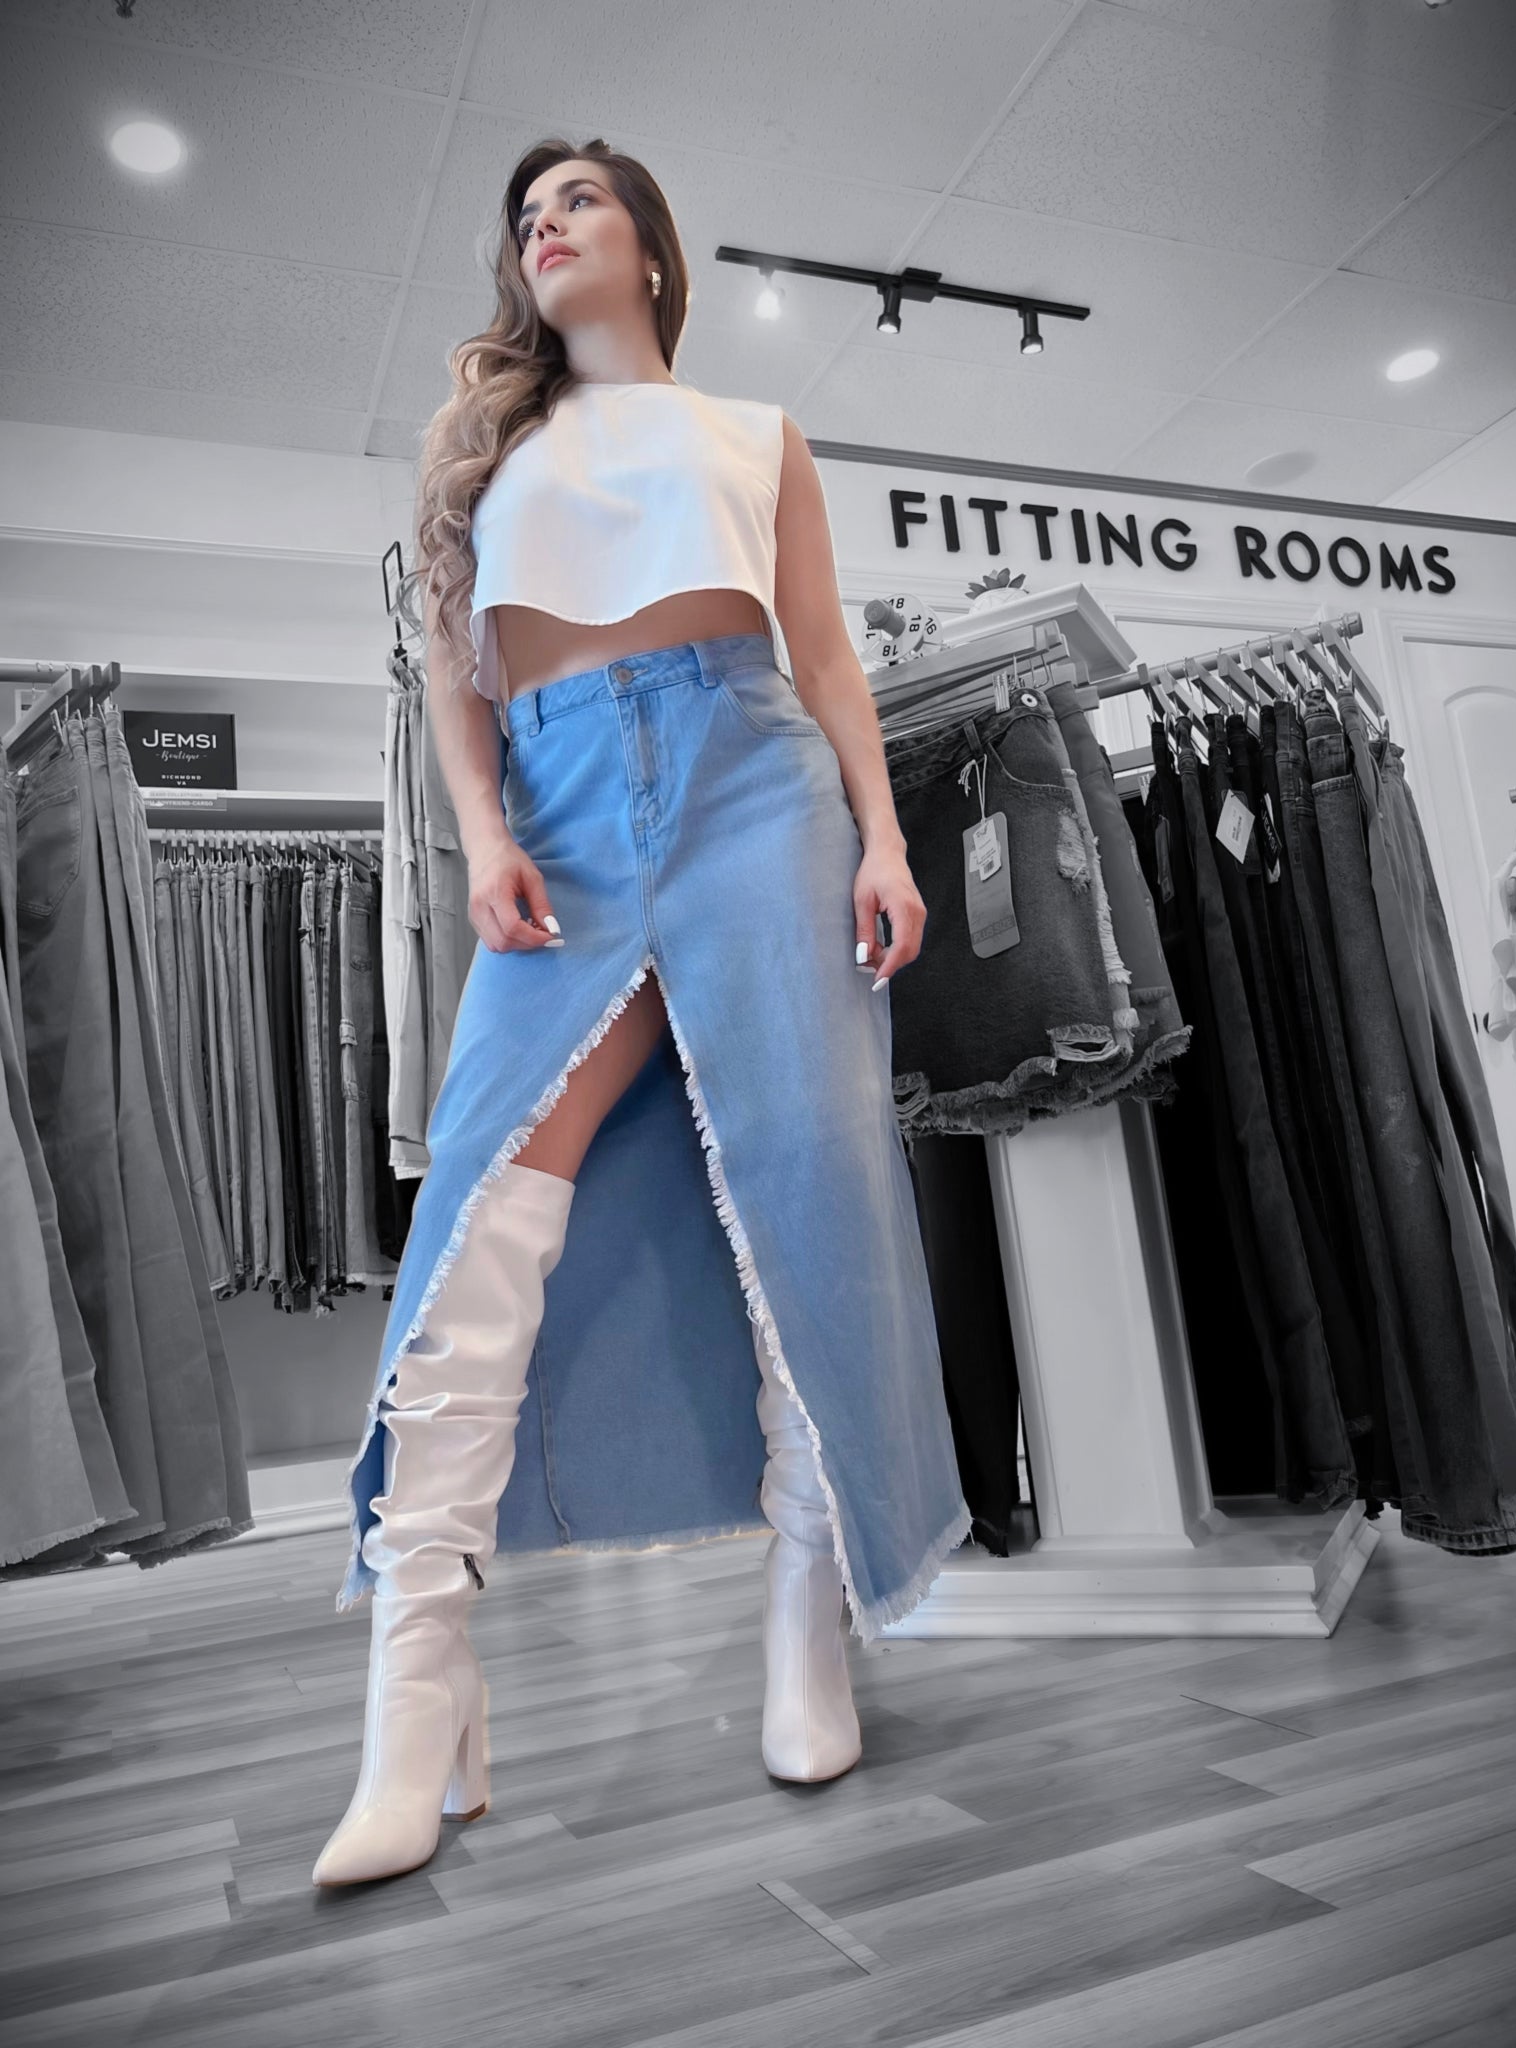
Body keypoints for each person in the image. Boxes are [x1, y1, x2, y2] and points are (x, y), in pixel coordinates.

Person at [313, 137, 971, 1889]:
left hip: (759, 784)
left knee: (806, 1201)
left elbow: (824, 654)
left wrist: (885, 836)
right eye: (528, 215)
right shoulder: (484, 448)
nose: (547, 226)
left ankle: (808, 1615)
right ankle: (418, 1688)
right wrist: (481, 838)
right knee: (479, 1211)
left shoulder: (758, 435)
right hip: (564, 813)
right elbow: (455, 674)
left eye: (580, 202)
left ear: (654, 250)